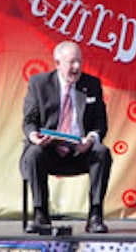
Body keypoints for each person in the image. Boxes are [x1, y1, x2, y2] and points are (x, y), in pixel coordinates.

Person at [20, 40, 112, 234]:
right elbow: (29, 121)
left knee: (102, 152)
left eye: (79, 62)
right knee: (33, 153)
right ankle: (40, 214)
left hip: (80, 151)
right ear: (57, 63)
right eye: (71, 62)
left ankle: (95, 216)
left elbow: (100, 124)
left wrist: (91, 138)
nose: (76, 67)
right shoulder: (39, 84)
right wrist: (34, 136)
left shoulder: (92, 84)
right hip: (50, 149)